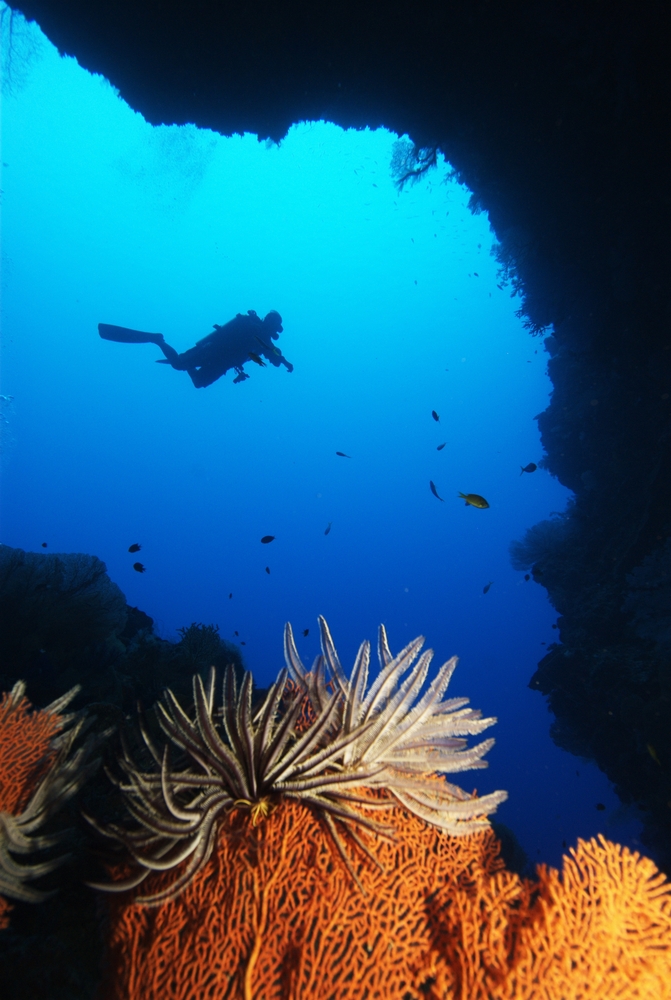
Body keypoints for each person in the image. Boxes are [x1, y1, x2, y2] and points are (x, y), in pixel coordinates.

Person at [98, 310, 293, 388]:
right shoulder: (254, 328)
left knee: (199, 382)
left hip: (222, 363)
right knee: (178, 364)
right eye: (275, 326)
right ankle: (156, 339)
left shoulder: (264, 337)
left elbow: (273, 354)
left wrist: (283, 361)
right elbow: (270, 350)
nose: (275, 330)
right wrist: (282, 360)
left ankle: (186, 363)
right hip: (212, 350)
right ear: (269, 322)